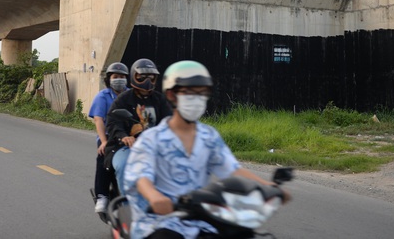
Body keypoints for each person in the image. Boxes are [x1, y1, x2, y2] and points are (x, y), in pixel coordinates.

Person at [123, 60, 291, 239]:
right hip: (160, 222)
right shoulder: (151, 139)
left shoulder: (209, 136)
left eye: (202, 93)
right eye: (190, 93)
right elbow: (141, 178)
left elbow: (232, 170)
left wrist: (268, 187)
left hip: (203, 220)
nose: (197, 99)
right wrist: (154, 196)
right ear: (172, 95)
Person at [105, 58, 173, 197]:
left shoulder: (160, 100)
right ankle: (128, 203)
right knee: (125, 166)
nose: (147, 80)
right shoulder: (124, 99)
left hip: (154, 147)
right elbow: (113, 121)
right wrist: (124, 136)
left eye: (151, 77)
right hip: (124, 147)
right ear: (134, 77)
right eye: (142, 76)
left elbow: (170, 121)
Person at [89, 62, 130, 213]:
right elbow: (98, 119)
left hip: (129, 136)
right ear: (109, 79)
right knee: (103, 157)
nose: (119, 79)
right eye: (115, 77)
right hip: (108, 136)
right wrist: (104, 142)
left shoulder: (131, 95)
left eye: (122, 77)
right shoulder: (103, 96)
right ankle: (102, 195)